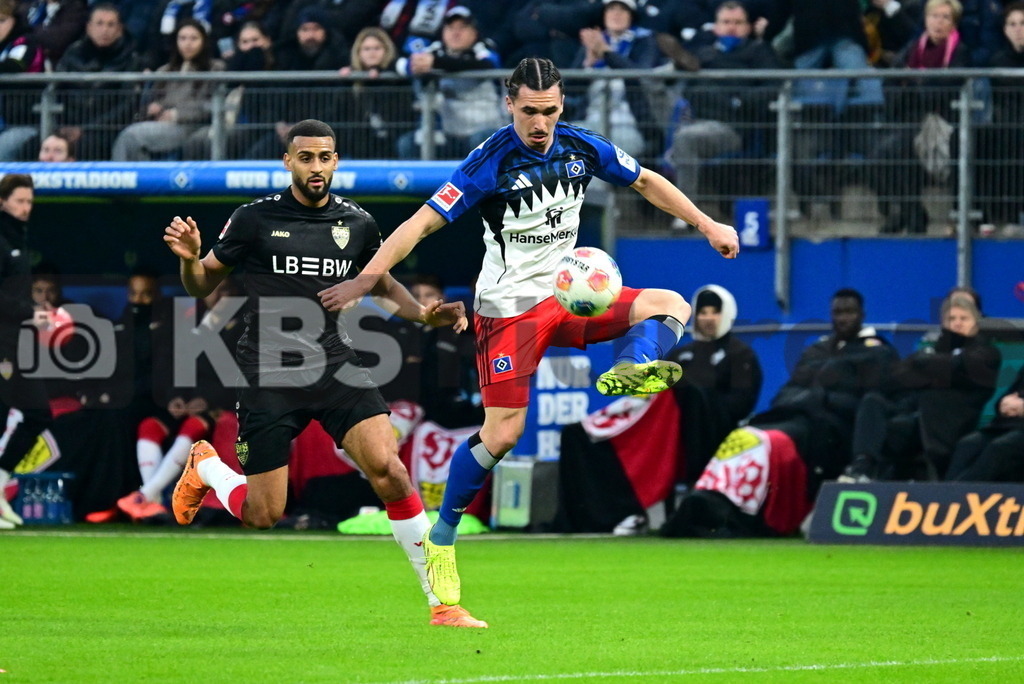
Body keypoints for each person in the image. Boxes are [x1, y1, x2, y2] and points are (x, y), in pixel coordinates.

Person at [316, 58, 739, 617]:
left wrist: (707, 224)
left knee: (670, 304)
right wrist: (369, 276)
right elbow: (420, 223)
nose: (541, 123)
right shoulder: (488, 162)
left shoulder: (583, 146)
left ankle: (634, 367)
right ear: (508, 103)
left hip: (567, 296)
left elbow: (647, 181)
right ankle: (441, 537)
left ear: (563, 107)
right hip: (509, 313)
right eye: (530, 111)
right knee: (503, 434)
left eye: (551, 111)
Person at [162, 119, 486, 628]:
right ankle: (205, 466)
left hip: (335, 364)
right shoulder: (253, 219)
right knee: (264, 514)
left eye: (325, 157)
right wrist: (187, 261)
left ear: (337, 161)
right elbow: (201, 284)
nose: (317, 167)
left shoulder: (357, 224)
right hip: (268, 373)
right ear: (288, 162)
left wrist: (424, 315)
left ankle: (442, 603)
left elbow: (379, 284)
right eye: (306, 158)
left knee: (391, 470)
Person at [841, 292, 1000, 481]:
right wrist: (930, 365)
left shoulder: (987, 353)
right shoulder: (932, 349)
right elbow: (896, 377)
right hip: (916, 411)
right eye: (951, 318)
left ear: (976, 321)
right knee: (872, 401)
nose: (957, 323)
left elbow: (957, 367)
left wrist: (924, 365)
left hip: (948, 421)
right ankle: (862, 466)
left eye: (964, 318)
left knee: (892, 430)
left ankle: (881, 479)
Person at [666, 1, 782, 203]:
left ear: (748, 27)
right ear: (716, 26)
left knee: (685, 139)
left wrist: (738, 100)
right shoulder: (702, 53)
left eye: (738, 22)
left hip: (731, 128)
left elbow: (774, 87)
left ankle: (684, 212)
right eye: (726, 22)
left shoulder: (759, 52)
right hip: (691, 117)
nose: (731, 27)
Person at [0, 174, 56, 529]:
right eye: (20, 201)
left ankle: (1, 482)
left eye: (30, 202)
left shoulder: (17, 238)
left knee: (37, 413)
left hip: (14, 343)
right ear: (3, 201)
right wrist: (29, 313)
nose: (25, 208)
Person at [667, 284, 763, 485]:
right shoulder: (680, 355)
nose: (708, 318)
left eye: (715, 312)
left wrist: (701, 404)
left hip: (719, 439)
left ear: (727, 313)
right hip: (679, 439)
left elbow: (741, 403)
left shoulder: (740, 354)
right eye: (703, 312)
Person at [395, 6, 505, 160]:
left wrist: (436, 63)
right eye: (450, 28)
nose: (455, 33)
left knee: (481, 141)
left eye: (462, 27)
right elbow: (402, 63)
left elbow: (487, 65)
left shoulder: (484, 47)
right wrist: (414, 66)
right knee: (408, 143)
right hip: (450, 134)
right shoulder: (437, 50)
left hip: (485, 129)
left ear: (474, 31)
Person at [110, 18, 224, 161]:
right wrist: (154, 108)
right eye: (182, 38)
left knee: (131, 136)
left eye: (194, 38)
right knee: (130, 136)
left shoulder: (215, 69)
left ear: (204, 41)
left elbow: (210, 106)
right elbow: (152, 100)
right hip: (162, 124)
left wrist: (176, 114)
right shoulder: (165, 70)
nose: (187, 44)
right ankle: (144, 181)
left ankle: (126, 181)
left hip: (192, 126)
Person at [568, 0, 664, 160]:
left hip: (627, 125)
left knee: (597, 153)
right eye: (611, 9)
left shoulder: (646, 41)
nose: (616, 14)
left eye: (622, 10)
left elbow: (639, 76)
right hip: (590, 120)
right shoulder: (594, 43)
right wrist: (588, 65)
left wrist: (607, 53)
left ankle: (594, 186)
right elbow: (571, 89)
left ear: (631, 16)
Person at [54, 3, 142, 160]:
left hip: (107, 129)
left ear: (119, 29)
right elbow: (57, 91)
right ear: (89, 27)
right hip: (68, 125)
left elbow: (128, 104)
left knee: (86, 147)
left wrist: (85, 129)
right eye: (99, 23)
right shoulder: (73, 54)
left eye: (110, 24)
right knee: (32, 144)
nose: (105, 30)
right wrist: (63, 125)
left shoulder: (130, 59)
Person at [335, 26, 416, 159]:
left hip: (392, 142)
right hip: (361, 147)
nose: (371, 53)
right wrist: (346, 81)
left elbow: (400, 117)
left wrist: (380, 75)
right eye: (366, 49)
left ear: (386, 50)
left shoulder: (397, 77)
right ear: (358, 52)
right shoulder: (351, 80)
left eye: (377, 48)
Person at [946, 365, 1024, 482]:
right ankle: (947, 490)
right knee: (968, 444)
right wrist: (1004, 405)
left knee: (1000, 447)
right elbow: (1007, 397)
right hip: (1009, 425)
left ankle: (960, 494)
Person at [0, 0, 46, 161]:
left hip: (23, 123)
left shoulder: (26, 41)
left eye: (2, 21)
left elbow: (14, 65)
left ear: (14, 20)